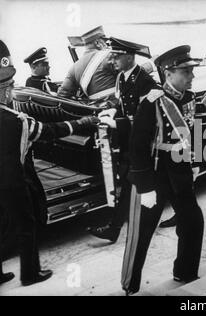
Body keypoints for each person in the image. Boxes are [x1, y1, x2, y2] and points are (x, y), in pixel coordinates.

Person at [0, 40, 99, 286]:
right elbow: (49, 131)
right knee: (26, 225)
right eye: (10, 85)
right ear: (4, 91)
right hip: (13, 180)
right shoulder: (16, 120)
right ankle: (31, 274)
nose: (13, 89)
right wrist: (83, 123)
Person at [121, 45, 204, 295]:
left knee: (193, 222)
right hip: (154, 176)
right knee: (141, 235)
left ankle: (185, 273)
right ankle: (130, 286)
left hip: (179, 175)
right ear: (168, 73)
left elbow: (194, 133)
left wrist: (195, 161)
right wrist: (145, 187)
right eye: (186, 71)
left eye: (191, 71)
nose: (191, 76)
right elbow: (136, 147)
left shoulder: (189, 98)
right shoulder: (152, 102)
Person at [87, 37, 158, 243]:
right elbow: (123, 103)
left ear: (129, 56)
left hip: (143, 143)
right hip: (129, 141)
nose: (112, 60)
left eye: (117, 56)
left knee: (147, 182)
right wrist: (113, 110)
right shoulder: (122, 78)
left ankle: (115, 228)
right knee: (128, 182)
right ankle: (114, 228)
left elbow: (147, 120)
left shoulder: (145, 82)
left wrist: (118, 123)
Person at [57, 26, 118, 101]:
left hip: (94, 110)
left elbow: (62, 95)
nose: (107, 44)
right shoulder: (108, 56)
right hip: (116, 107)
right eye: (105, 41)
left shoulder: (74, 67)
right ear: (97, 43)